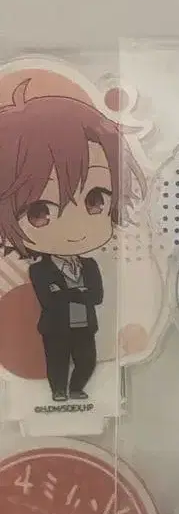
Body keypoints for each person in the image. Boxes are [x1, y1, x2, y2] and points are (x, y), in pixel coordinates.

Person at [0, 80, 145, 401]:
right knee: (56, 360)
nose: (75, 228)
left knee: (86, 360)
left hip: (85, 325)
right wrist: (76, 294)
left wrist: (69, 293)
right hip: (55, 327)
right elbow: (50, 300)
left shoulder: (89, 264)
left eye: (96, 200)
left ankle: (77, 388)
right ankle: (58, 393)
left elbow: (96, 295)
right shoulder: (40, 269)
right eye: (40, 212)